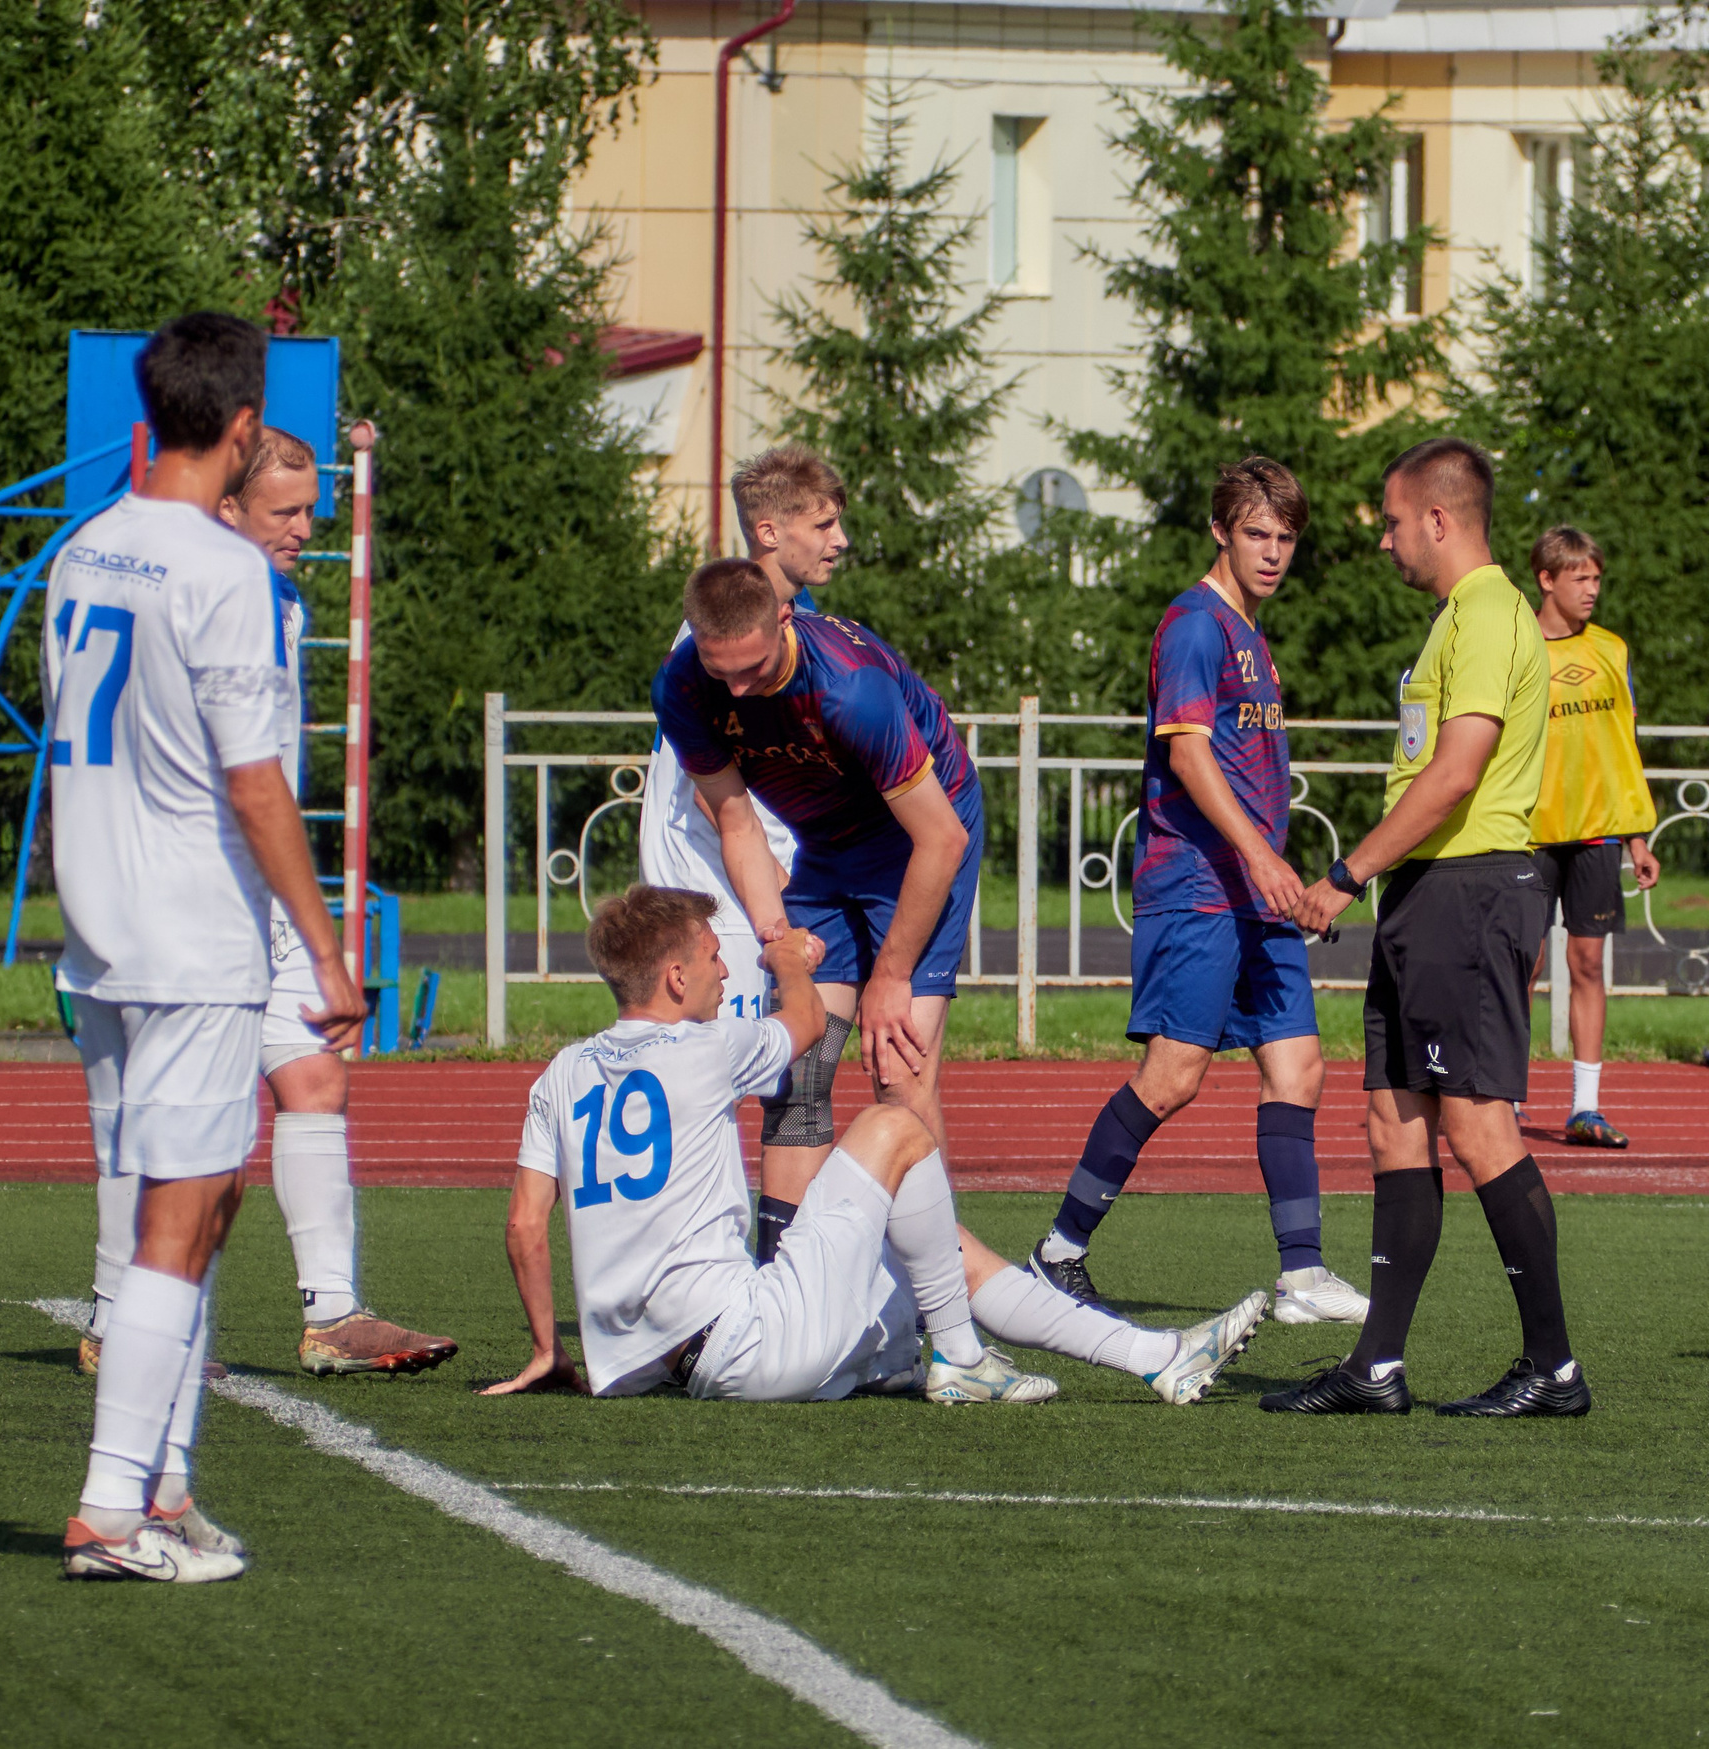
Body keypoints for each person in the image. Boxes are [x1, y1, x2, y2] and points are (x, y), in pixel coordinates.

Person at [483, 884, 1268, 1405]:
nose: (725, 966)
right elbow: (805, 1026)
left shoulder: (561, 1070)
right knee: (895, 1128)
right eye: (711, 953)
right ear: (676, 978)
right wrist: (792, 958)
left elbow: (525, 1225)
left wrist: (551, 1351)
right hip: (749, 1337)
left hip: (670, 1364)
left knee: (941, 1259)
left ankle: (1158, 1355)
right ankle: (959, 1359)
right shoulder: (703, 1048)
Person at [54, 313, 367, 1582]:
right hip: (191, 939)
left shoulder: (88, 548)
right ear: (242, 429)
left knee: (180, 1215)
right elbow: (254, 786)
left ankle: (164, 1487)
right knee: (177, 1233)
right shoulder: (226, 574)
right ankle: (111, 1513)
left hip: (101, 939)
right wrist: (328, 947)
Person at [75, 430, 456, 1383]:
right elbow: (232, 774)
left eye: (312, 511)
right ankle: (115, 1316)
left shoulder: (261, 595)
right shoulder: (200, 588)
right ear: (228, 508)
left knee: (314, 1079)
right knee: (154, 1117)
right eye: (284, 512)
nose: (304, 529)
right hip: (182, 886)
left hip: (252, 884)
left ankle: (333, 1312)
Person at [1270, 437, 1588, 1419]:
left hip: (1469, 888)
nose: (1383, 539)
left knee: (1477, 1124)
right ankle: (1376, 1367)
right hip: (1425, 892)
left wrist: (1342, 875)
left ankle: (1553, 1368)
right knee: (1390, 1117)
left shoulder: (1490, 612)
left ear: (1439, 520)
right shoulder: (1456, 620)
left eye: (1392, 520)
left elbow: (1455, 772)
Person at [1027, 458, 1366, 1325]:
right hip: (1199, 888)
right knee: (1174, 1077)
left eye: (1287, 537)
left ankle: (1301, 1272)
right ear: (1220, 531)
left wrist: (1265, 866)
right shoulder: (1194, 625)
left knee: (1299, 1066)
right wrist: (1258, 855)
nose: (1274, 552)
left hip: (1257, 895)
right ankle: (1057, 1250)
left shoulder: (1253, 638)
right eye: (1257, 533)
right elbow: (1187, 754)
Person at [651, 558, 982, 1249]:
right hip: (828, 842)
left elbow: (941, 838)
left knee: (898, 1068)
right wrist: (778, 934)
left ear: (783, 616)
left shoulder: (849, 690)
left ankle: (940, 1309)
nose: (738, 690)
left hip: (918, 838)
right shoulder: (684, 685)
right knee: (797, 1069)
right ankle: (781, 1285)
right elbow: (737, 822)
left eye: (752, 669)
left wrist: (888, 978)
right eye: (723, 673)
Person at [637, 446, 844, 1048]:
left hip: (744, 891)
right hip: (715, 898)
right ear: (770, 532)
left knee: (782, 1079)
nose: (840, 540)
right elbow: (711, 795)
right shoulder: (728, 633)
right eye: (824, 525)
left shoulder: (793, 616)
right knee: (711, 1087)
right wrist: (785, 892)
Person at [1523, 526, 1661, 1149]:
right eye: (1580, 577)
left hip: (1600, 833)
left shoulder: (1612, 649)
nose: (1592, 589)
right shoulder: (1515, 647)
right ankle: (1508, 1100)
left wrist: (1638, 836)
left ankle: (1585, 1106)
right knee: (1519, 967)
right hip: (1527, 831)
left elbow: (1621, 748)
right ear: (1547, 579)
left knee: (1586, 963)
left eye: (1597, 578)